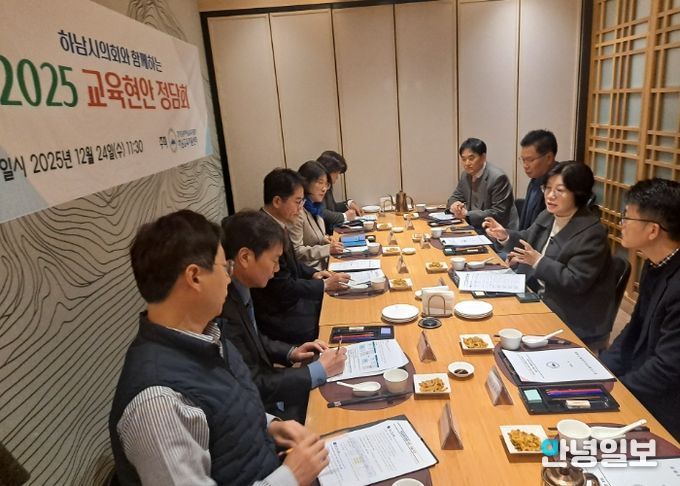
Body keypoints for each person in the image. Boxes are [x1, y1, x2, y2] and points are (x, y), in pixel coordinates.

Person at [109, 209, 328, 486]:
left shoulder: (208, 336)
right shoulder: (157, 403)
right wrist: (291, 477)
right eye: (225, 268)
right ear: (194, 277)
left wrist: (270, 425)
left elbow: (225, 410)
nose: (228, 279)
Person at [220, 210, 347, 423]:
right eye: (274, 260)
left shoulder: (240, 289)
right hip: (260, 411)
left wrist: (290, 352)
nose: (277, 268)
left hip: (271, 392)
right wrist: (318, 370)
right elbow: (253, 381)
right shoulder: (222, 306)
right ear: (245, 258)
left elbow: (253, 338)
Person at [483, 161, 615, 348]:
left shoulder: (592, 233)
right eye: (547, 188)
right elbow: (527, 239)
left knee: (500, 334)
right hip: (535, 294)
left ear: (578, 193)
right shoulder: (549, 214)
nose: (550, 195)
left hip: (569, 314)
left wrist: (538, 261)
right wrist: (505, 235)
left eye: (560, 190)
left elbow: (575, 281)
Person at [600, 178, 680, 441]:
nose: (621, 223)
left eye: (627, 217)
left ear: (653, 230)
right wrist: (601, 372)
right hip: (641, 377)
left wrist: (617, 391)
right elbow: (634, 328)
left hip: (667, 406)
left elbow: (667, 368)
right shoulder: (653, 263)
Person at [254, 168, 349, 344]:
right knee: (334, 316)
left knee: (338, 302)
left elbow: (294, 264)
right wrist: (323, 284)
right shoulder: (262, 232)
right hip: (281, 313)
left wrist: (313, 274)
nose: (300, 208)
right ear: (277, 201)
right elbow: (282, 287)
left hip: (292, 300)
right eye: (297, 202)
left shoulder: (277, 224)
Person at [447, 138, 519, 230]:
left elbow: (498, 213)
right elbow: (455, 196)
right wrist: (454, 205)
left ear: (483, 157)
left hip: (496, 230)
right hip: (474, 226)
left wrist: (467, 214)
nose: (467, 163)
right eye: (463, 159)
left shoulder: (498, 178)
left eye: (471, 158)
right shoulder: (465, 175)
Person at [288, 161, 345, 270]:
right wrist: (327, 249)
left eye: (326, 184)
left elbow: (315, 238)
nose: (324, 188)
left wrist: (326, 239)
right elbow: (296, 251)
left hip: (325, 264)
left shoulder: (317, 206)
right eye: (320, 182)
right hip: (311, 271)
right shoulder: (297, 211)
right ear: (306, 183)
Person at [518, 129, 558, 230]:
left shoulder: (559, 185)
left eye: (530, 160)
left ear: (549, 158)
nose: (525, 165)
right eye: (523, 160)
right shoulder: (535, 179)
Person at [317, 150, 362, 234]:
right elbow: (321, 212)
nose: (337, 177)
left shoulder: (327, 186)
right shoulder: (317, 188)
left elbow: (332, 207)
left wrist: (348, 204)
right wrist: (344, 216)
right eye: (337, 173)